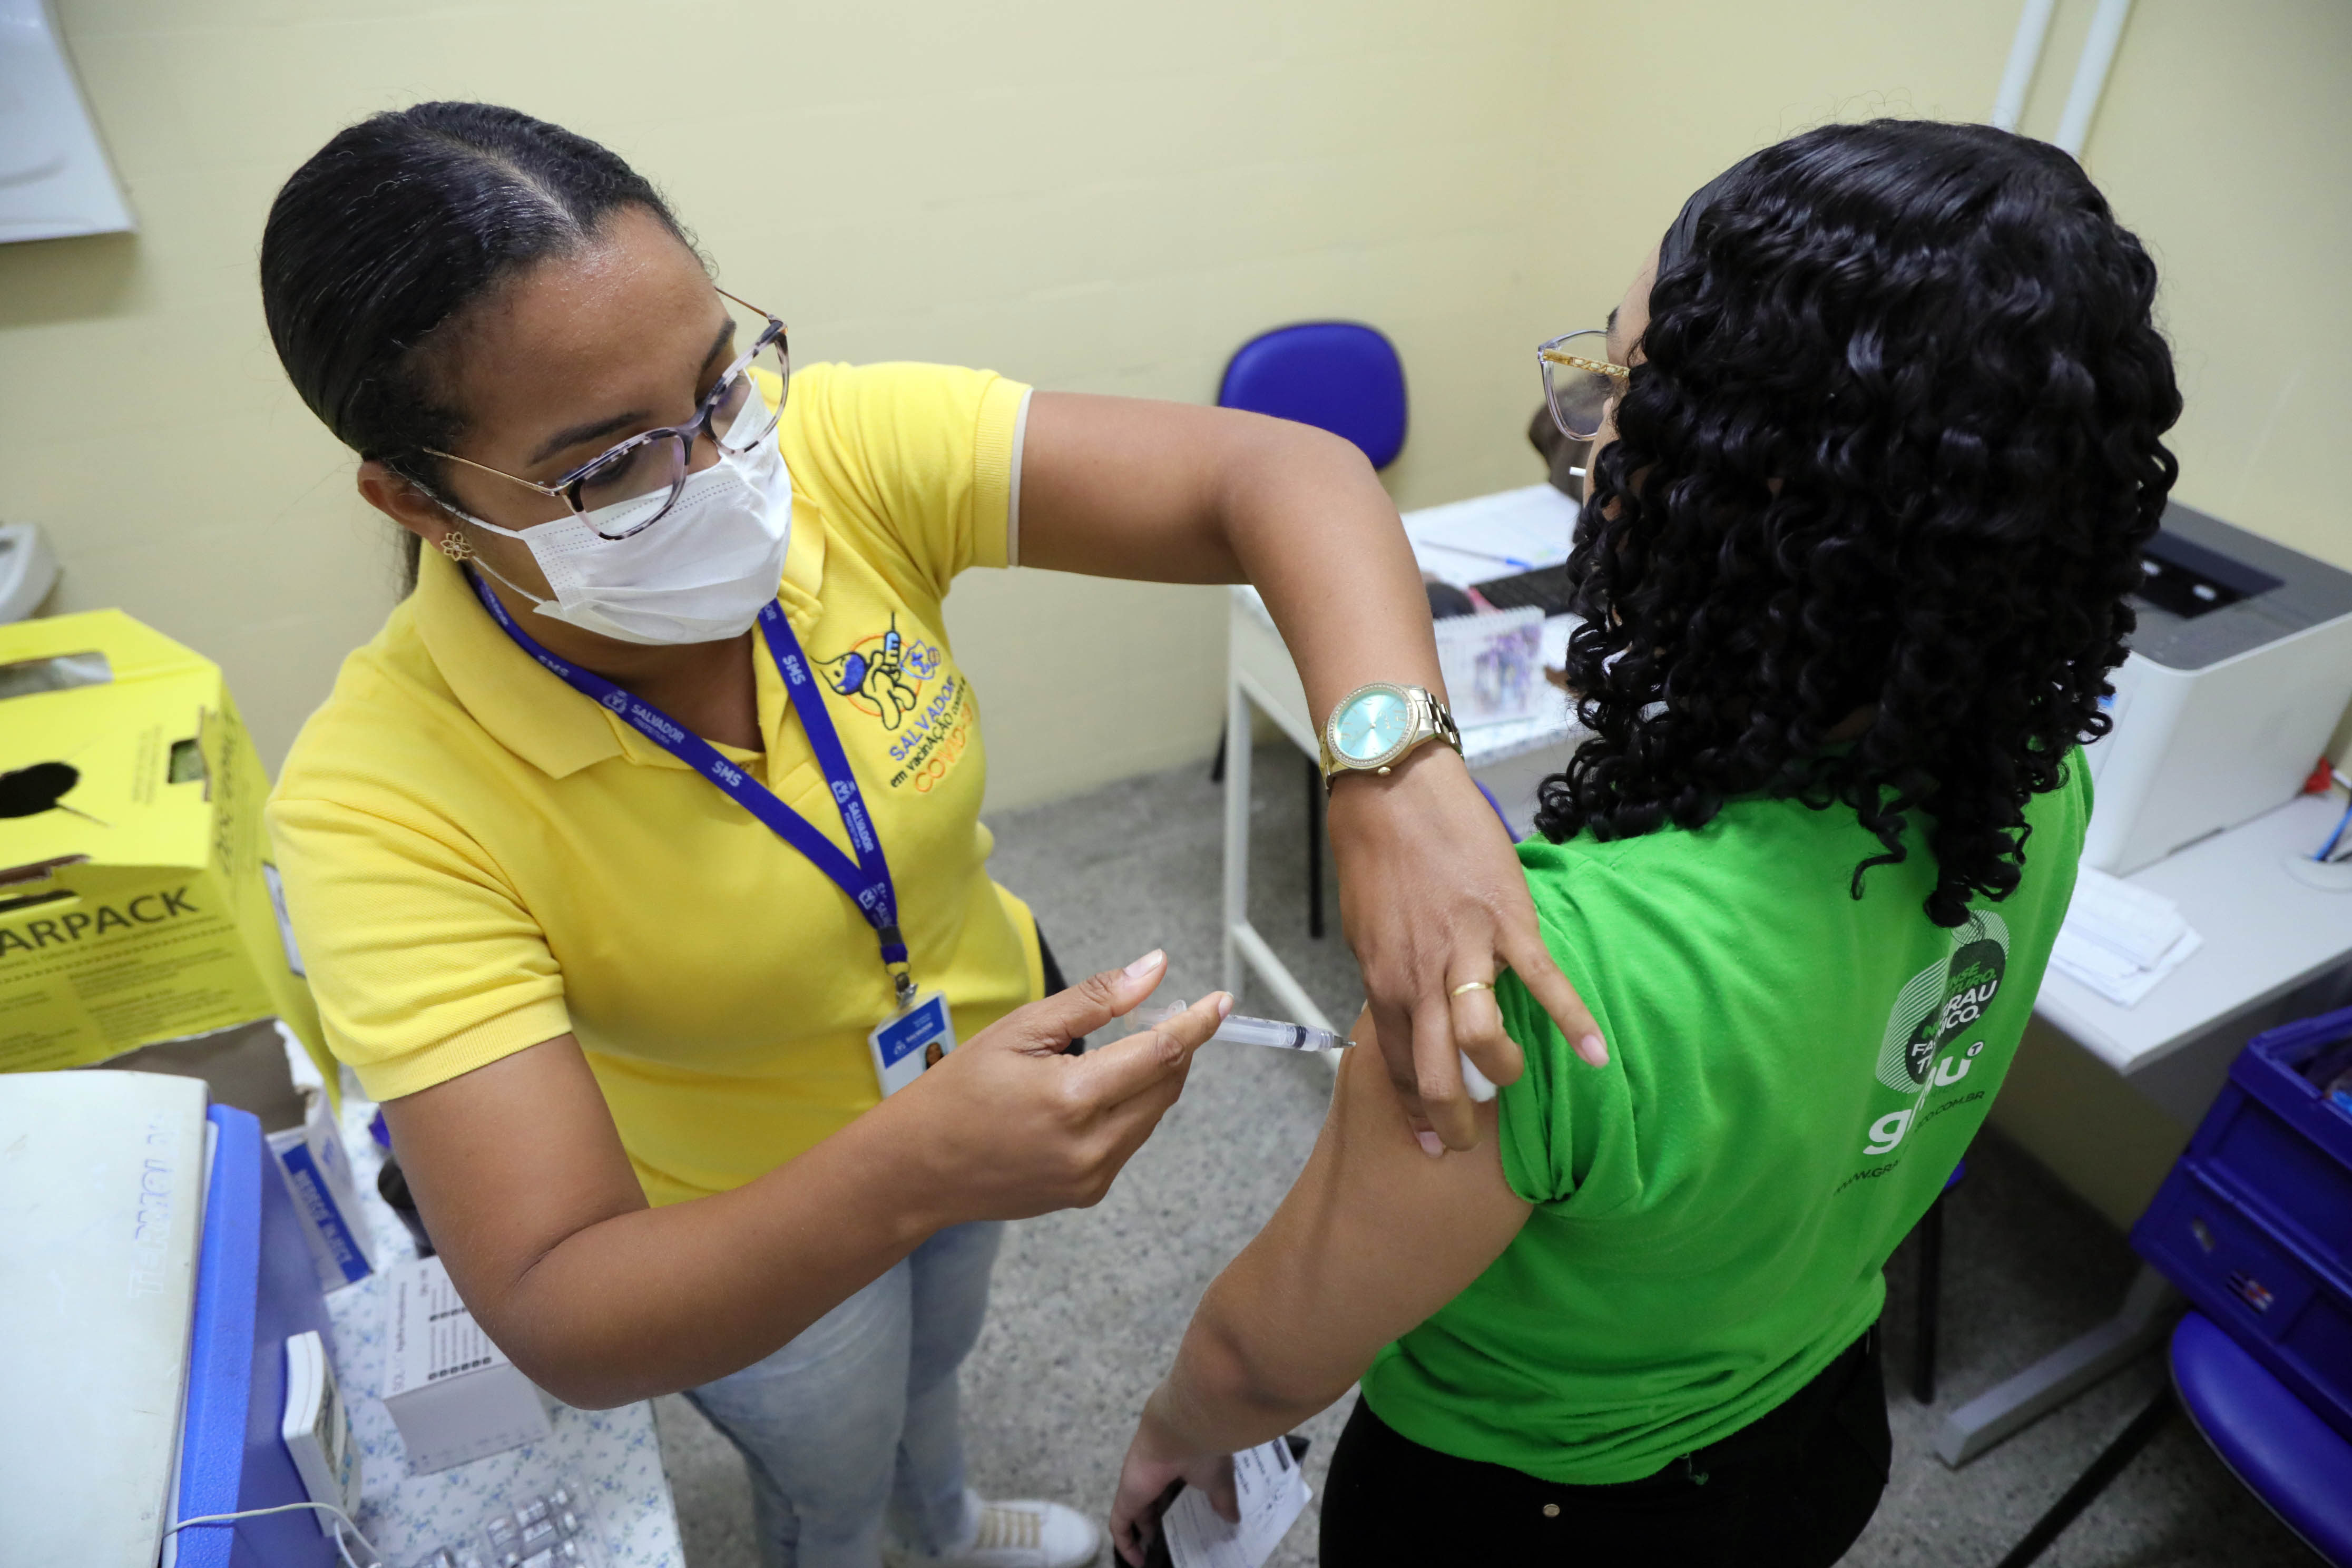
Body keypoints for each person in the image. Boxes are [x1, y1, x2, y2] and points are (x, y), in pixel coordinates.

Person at [258, 103, 1604, 1568]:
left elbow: (1282, 473)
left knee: (940, 1356)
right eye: (608, 470)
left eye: (719, 385)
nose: (715, 472)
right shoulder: (379, 801)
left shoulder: (837, 451)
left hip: (979, 1054)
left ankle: (949, 1522)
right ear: (418, 502)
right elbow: (563, 1310)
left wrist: (1393, 768)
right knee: (825, 1470)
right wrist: (913, 1169)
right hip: (732, 1209)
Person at [1111, 119, 2181, 1567]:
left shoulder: (1538, 978)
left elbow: (1267, 1355)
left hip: (1530, 1508)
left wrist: (1175, 1428)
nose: (1592, 428)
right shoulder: (2039, 788)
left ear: (1766, 486)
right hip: (1814, 1431)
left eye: (1621, 384)